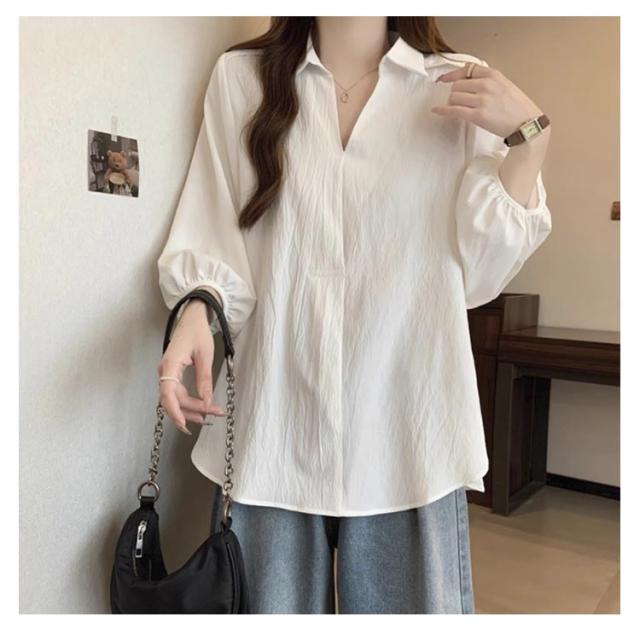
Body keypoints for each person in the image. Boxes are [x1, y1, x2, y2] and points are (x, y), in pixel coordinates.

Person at [156, 16, 553, 614]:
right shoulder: (242, 79)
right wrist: (196, 307)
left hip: (409, 432)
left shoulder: (458, 84)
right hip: (275, 425)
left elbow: (479, 277)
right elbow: (213, 229)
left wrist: (531, 140)